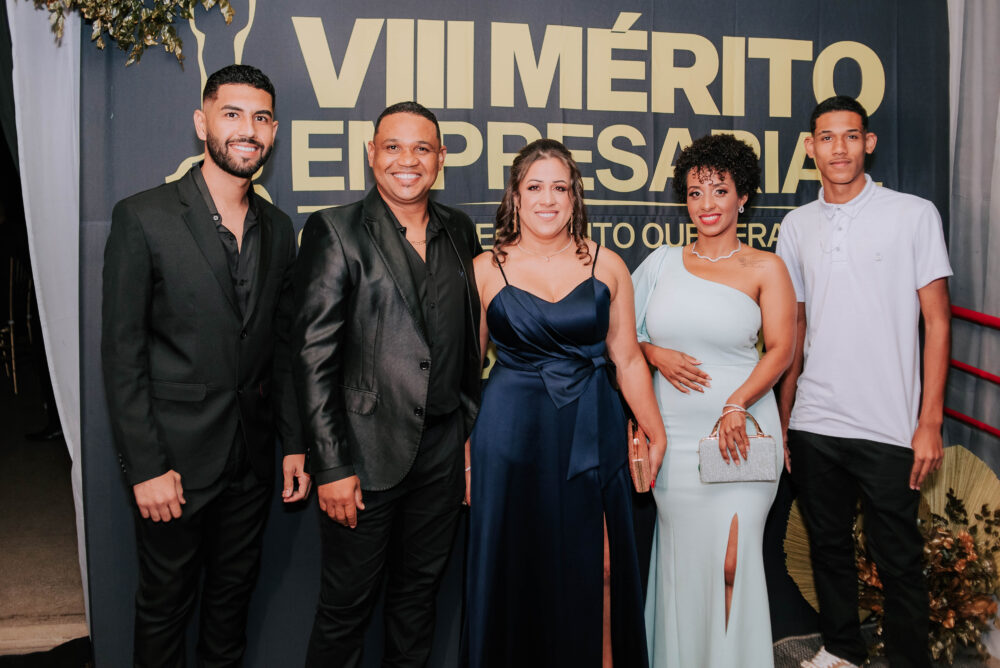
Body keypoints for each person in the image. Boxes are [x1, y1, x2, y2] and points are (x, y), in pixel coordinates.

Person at [102, 64, 309, 666]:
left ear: (274, 133)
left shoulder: (279, 228)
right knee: (164, 609)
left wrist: (294, 443)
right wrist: (146, 466)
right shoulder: (143, 217)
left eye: (262, 118)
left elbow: (283, 347)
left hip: (251, 462)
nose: (249, 129)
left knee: (230, 611)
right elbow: (122, 354)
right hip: (173, 465)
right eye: (232, 114)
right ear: (202, 123)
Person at [293, 101, 482, 667]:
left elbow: (470, 341)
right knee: (345, 611)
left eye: (422, 148)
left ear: (441, 158)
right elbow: (313, 356)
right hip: (364, 456)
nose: (408, 160)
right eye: (393, 147)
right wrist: (332, 465)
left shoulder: (460, 230)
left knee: (417, 602)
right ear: (371, 153)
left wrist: (467, 431)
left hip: (442, 454)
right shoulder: (336, 229)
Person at [465, 138, 666, 667]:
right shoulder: (485, 268)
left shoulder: (608, 264)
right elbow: (466, 371)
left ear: (574, 197)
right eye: (535, 187)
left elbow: (627, 359)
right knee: (514, 566)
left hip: (592, 422)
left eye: (560, 187)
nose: (547, 199)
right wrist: (463, 453)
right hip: (509, 431)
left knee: (601, 567)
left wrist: (654, 429)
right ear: (515, 197)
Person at [777, 96, 951, 668]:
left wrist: (929, 421)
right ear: (810, 147)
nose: (839, 149)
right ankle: (842, 652)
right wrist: (784, 417)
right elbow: (795, 328)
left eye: (851, 136)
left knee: (898, 559)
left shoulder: (914, 214)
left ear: (868, 143)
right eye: (827, 138)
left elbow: (937, 321)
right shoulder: (796, 225)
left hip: (888, 424)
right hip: (815, 422)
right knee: (828, 550)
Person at [633, 133, 796, 667]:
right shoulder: (660, 264)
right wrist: (654, 353)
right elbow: (619, 337)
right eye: (695, 192)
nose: (706, 203)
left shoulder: (766, 268)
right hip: (674, 437)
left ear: (742, 197)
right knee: (684, 563)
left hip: (741, 432)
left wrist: (736, 403)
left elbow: (781, 349)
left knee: (732, 563)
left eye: (719, 190)